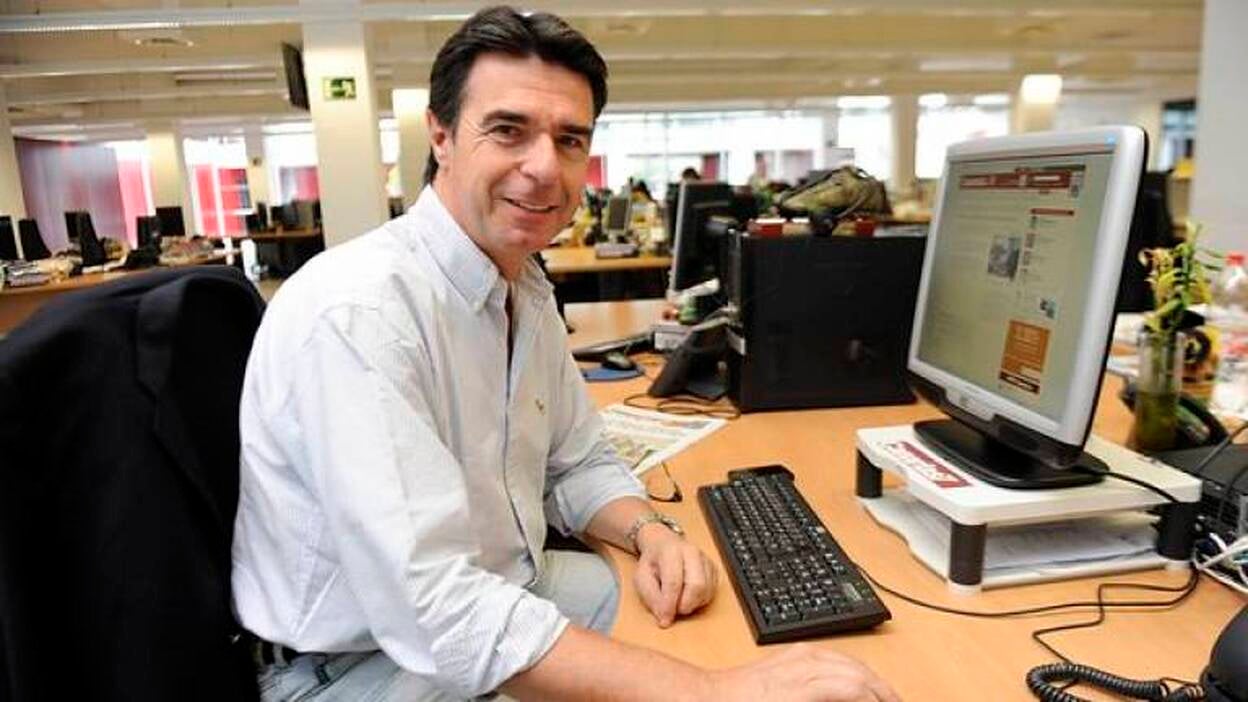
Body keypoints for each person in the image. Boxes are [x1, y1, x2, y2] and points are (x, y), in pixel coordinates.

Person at [231, 6, 900, 702]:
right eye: (508, 130)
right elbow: (437, 612)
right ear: (442, 135)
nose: (545, 168)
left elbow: (577, 461)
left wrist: (650, 531)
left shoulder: (522, 287)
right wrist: (714, 691)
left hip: (505, 592)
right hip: (360, 666)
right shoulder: (361, 314)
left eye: (570, 139)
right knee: (713, 677)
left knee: (733, 622)